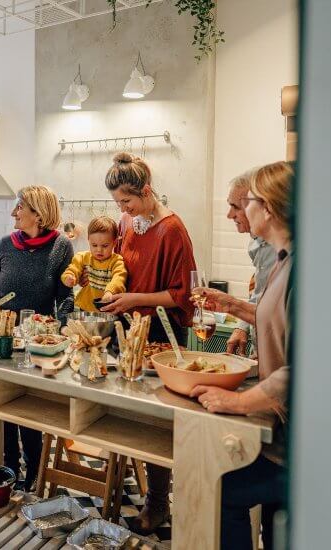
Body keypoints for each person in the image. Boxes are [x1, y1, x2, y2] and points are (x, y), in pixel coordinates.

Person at [189, 161, 294, 550]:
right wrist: (231, 306)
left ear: (267, 208)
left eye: (245, 202)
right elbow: (273, 318)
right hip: (284, 430)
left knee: (221, 490)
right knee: (276, 525)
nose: (238, 211)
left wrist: (239, 400)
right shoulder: (283, 261)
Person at [98, 152, 196, 535]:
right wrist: (111, 291)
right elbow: (122, 268)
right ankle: (120, 480)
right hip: (129, 328)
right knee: (122, 411)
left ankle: (158, 505)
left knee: (156, 423)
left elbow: (183, 295)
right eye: (118, 203)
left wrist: (135, 300)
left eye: (127, 200)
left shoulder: (173, 230)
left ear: (148, 191)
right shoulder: (128, 221)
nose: (122, 209)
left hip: (162, 336)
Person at [0, 185, 74, 490]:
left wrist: (61, 327)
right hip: (3, 338)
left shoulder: (61, 246)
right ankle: (9, 470)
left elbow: (66, 297)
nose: (13, 212)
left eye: (19, 207)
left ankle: (35, 474)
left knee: (31, 409)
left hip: (40, 342)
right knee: (4, 407)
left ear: (37, 213)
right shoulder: (5, 245)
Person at [224, 171, 277, 355]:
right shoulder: (256, 242)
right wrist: (242, 326)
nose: (229, 215)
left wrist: (229, 304)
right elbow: (260, 293)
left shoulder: (283, 251)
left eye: (236, 207)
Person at [61, 215, 127, 312]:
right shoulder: (82, 257)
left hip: (108, 308)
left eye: (105, 246)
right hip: (85, 308)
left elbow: (119, 278)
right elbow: (73, 269)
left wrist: (110, 292)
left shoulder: (117, 261)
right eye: (94, 245)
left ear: (115, 243)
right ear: (89, 240)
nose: (99, 250)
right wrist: (69, 277)